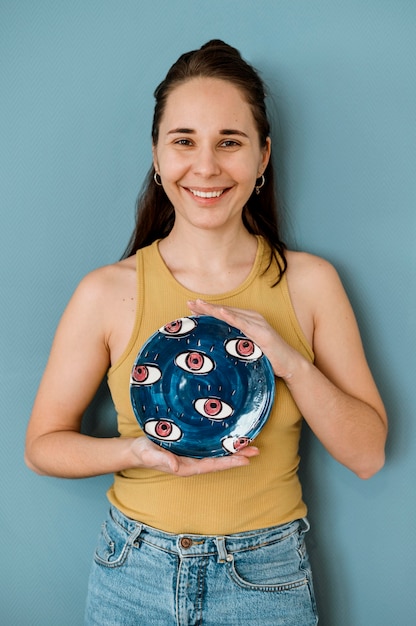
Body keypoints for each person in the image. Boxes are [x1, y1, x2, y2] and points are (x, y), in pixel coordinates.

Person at [25, 40, 387, 625]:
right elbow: (42, 447)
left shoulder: (312, 284)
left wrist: (288, 360)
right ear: (156, 154)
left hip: (265, 578)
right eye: (184, 141)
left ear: (263, 156)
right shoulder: (106, 292)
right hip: (131, 572)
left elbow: (368, 454)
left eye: (230, 142)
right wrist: (138, 452)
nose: (207, 166)